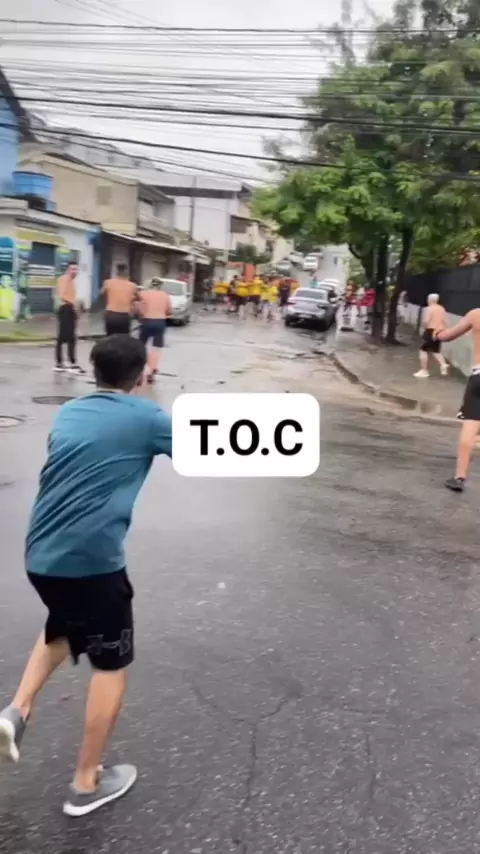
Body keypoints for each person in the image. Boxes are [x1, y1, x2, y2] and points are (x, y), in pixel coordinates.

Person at [0, 335, 172, 816]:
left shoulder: (70, 412)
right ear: (141, 374)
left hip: (41, 556)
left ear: (95, 371)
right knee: (109, 667)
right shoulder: (147, 417)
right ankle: (85, 784)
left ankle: (16, 711)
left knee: (63, 623)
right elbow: (211, 447)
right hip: (92, 565)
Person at [436, 308, 480, 492]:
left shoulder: (476, 315)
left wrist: (438, 332)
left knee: (470, 425)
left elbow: (447, 336)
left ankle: (459, 477)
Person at [138, 277, 171, 383]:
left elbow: (140, 310)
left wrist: (141, 315)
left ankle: (140, 372)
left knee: (141, 346)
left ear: (151, 285)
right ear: (160, 286)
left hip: (146, 321)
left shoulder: (143, 294)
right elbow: (169, 311)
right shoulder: (165, 296)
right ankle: (152, 372)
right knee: (156, 348)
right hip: (160, 322)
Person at [54, 261, 85, 374]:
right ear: (67, 270)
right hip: (65, 309)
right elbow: (62, 295)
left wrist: (75, 308)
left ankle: (68, 362)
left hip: (70, 309)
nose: (74, 271)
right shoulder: (63, 279)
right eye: (72, 269)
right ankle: (62, 363)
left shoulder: (72, 281)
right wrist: (74, 305)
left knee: (70, 337)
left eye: (76, 269)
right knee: (64, 337)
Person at [414, 293, 449, 379]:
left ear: (430, 300)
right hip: (439, 331)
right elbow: (445, 321)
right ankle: (443, 364)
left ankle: (424, 371)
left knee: (423, 350)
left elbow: (426, 321)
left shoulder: (430, 308)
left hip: (431, 330)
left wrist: (424, 327)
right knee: (435, 350)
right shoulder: (442, 309)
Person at [102, 264, 139, 336]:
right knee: (123, 338)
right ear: (126, 273)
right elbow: (138, 298)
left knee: (110, 337)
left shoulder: (108, 282)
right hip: (124, 316)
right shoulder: (132, 285)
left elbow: (102, 294)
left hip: (110, 314)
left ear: (117, 272)